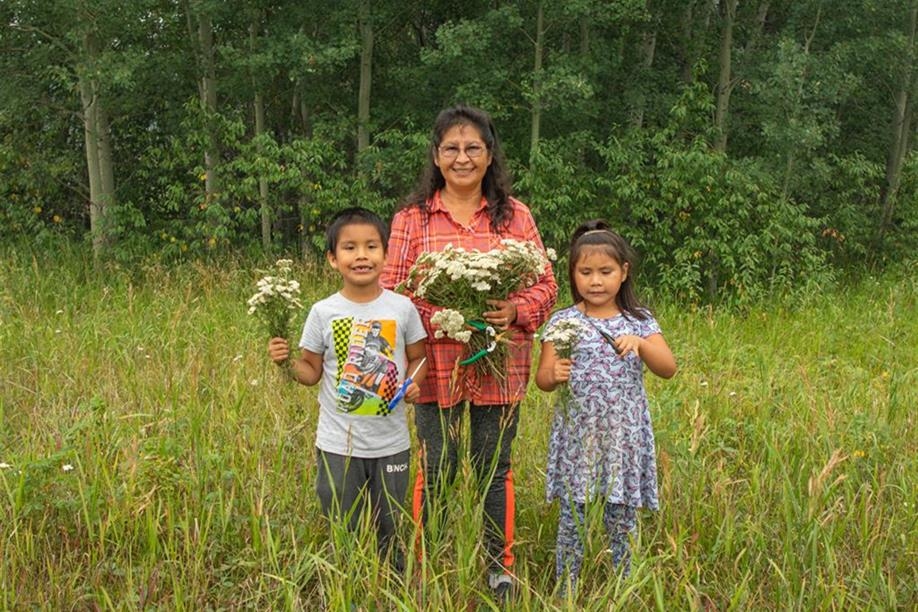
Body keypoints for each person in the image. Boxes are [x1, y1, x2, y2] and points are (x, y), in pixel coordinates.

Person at [380, 105, 557, 599]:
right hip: (434, 368)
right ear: (436, 157)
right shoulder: (411, 219)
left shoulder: (515, 215)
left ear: (489, 154)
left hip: (501, 368)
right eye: (452, 148)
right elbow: (392, 294)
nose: (462, 158)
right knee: (438, 465)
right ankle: (425, 562)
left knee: (493, 468)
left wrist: (515, 310)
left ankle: (498, 568)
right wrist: (438, 317)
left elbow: (547, 284)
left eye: (473, 147)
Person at [268, 207, 427, 569]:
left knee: (392, 526)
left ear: (386, 254)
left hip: (391, 445)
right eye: (350, 248)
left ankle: (392, 586)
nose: (361, 256)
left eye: (371, 246)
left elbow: (419, 357)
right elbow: (310, 370)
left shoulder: (401, 308)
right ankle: (348, 584)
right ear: (332, 259)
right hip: (338, 444)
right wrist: (285, 362)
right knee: (344, 524)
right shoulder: (323, 312)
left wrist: (413, 384)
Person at [535, 219, 676, 594]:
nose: (595, 281)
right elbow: (542, 378)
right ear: (573, 274)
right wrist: (555, 372)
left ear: (623, 272)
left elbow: (668, 368)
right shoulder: (563, 322)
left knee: (621, 514)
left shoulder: (640, 321)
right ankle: (567, 585)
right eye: (585, 272)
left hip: (622, 437)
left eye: (605, 272)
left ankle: (624, 585)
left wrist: (643, 345)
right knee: (573, 514)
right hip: (577, 438)